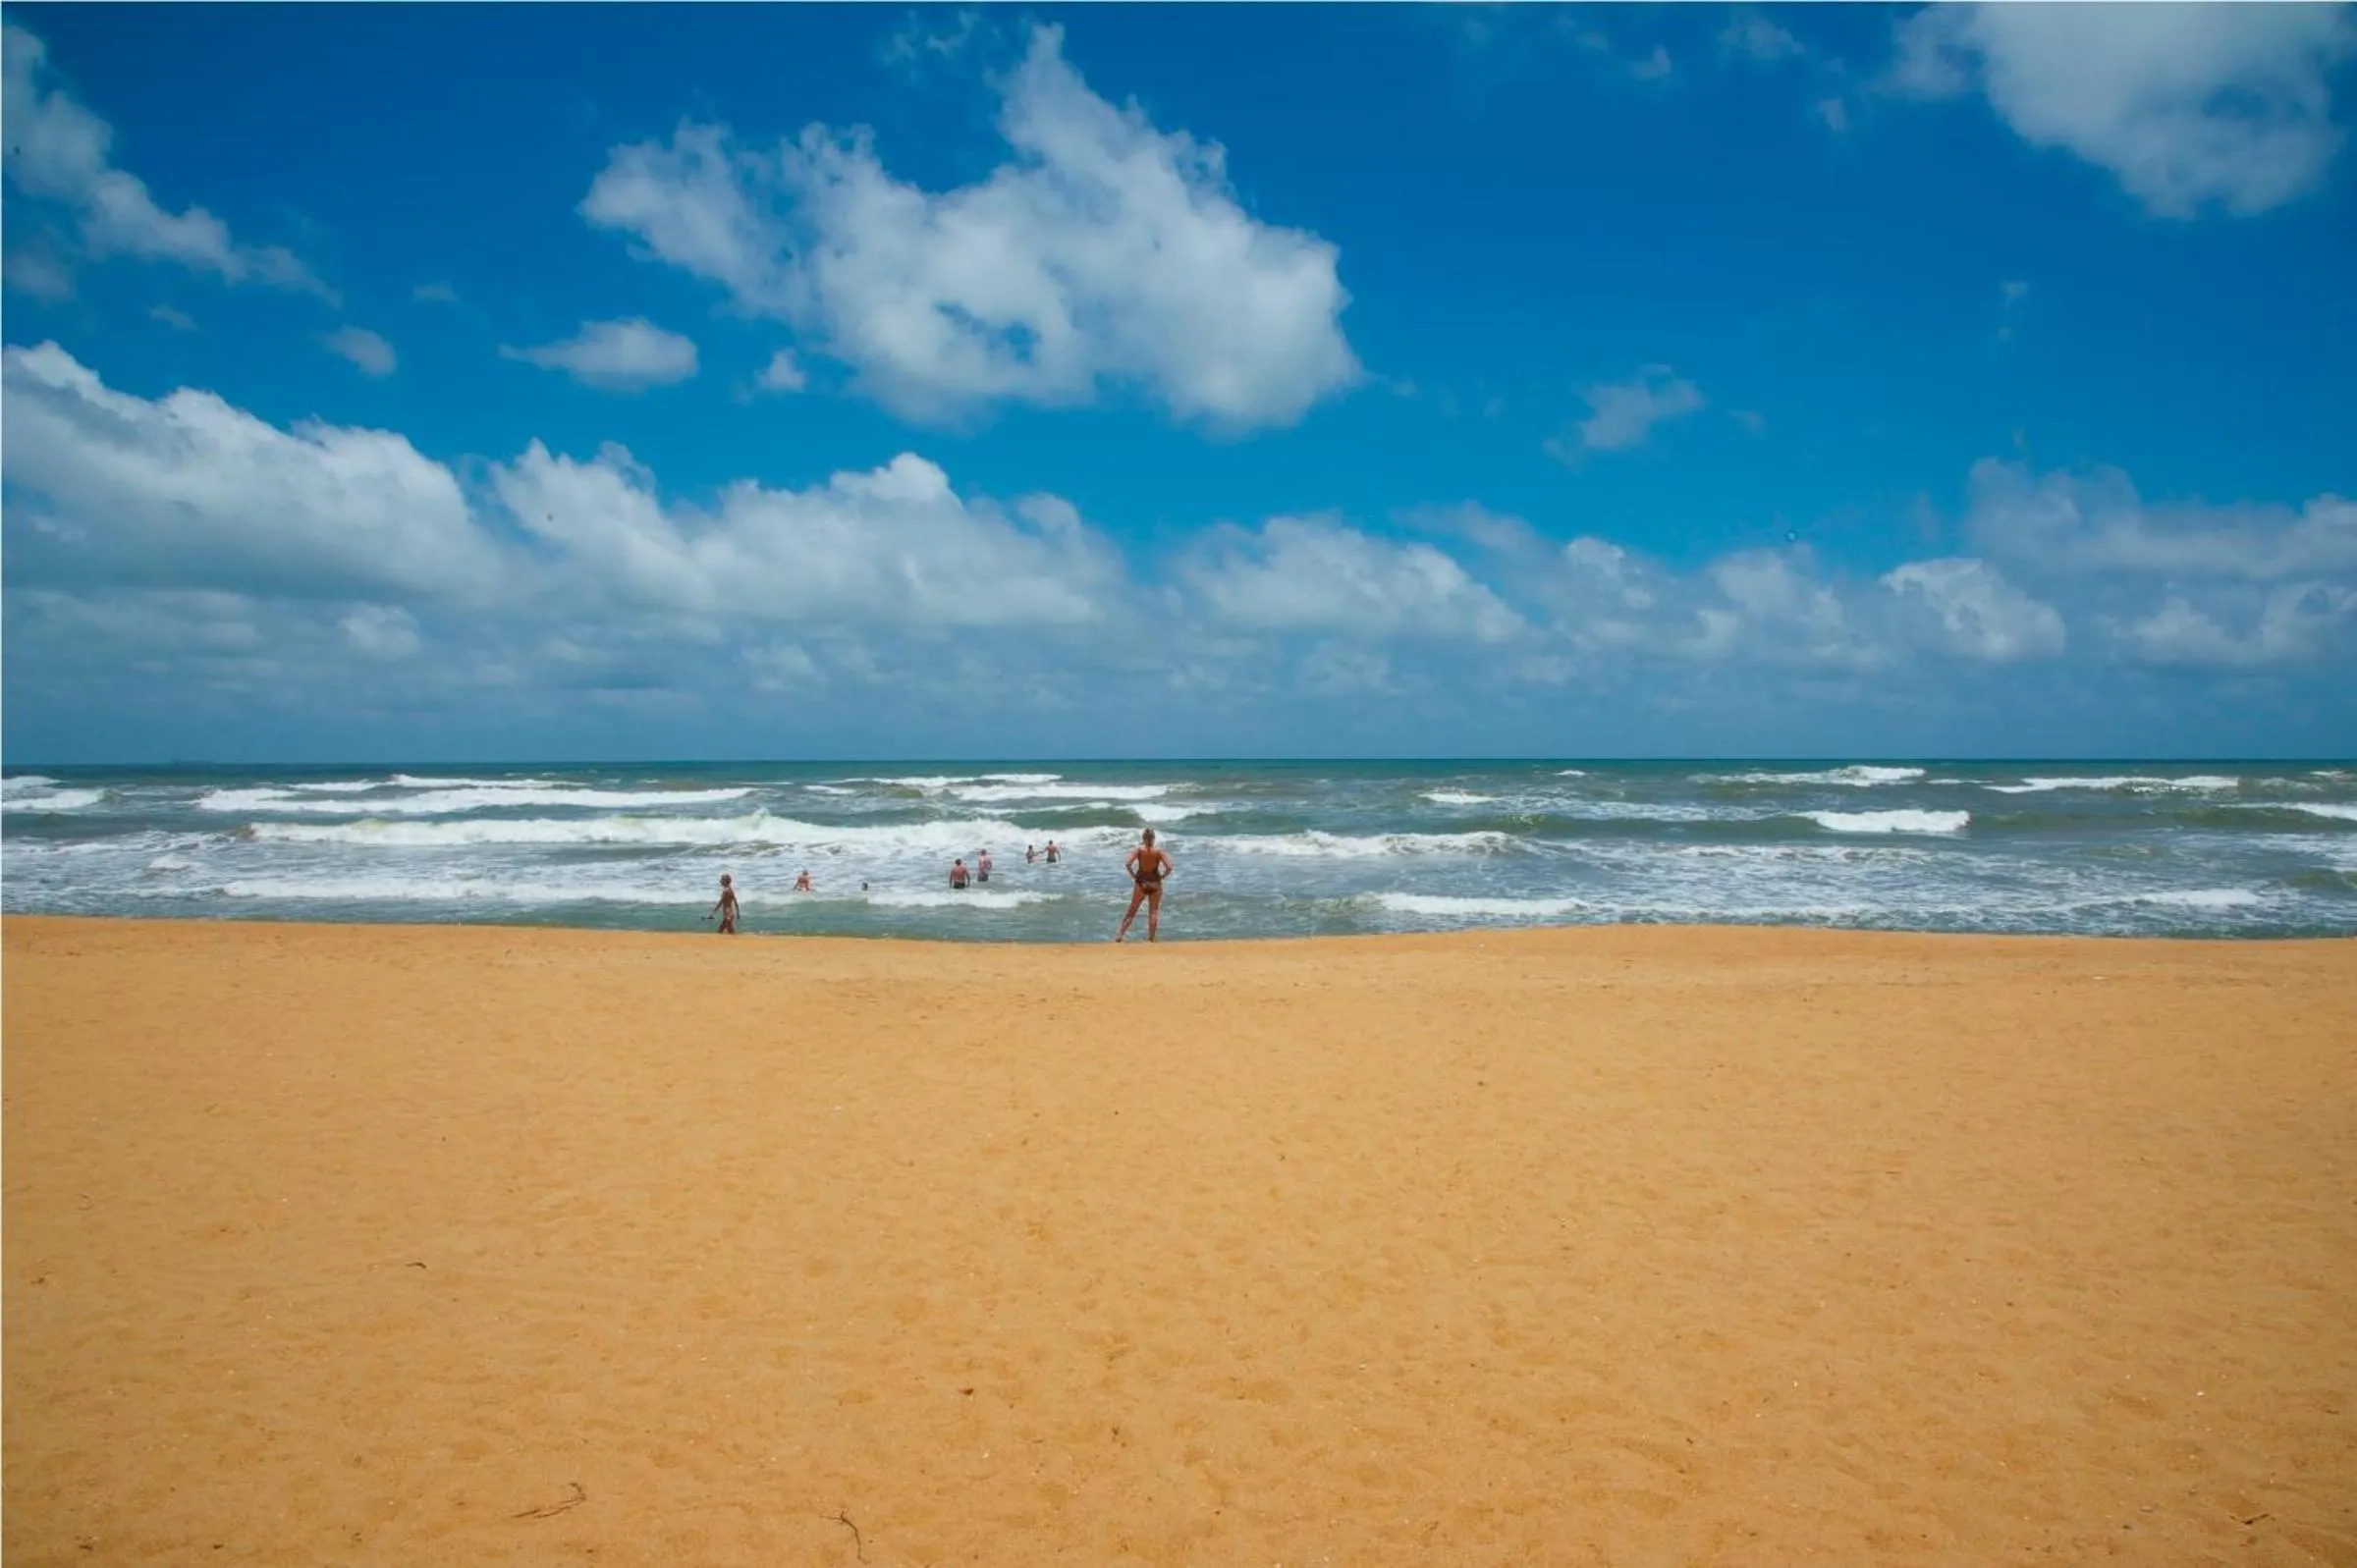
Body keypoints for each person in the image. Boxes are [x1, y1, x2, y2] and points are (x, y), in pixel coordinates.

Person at [1115, 829, 1173, 944]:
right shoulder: (1158, 852)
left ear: (1143, 838)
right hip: (1155, 884)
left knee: (1132, 911)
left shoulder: (1139, 850)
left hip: (1141, 883)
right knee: (1153, 912)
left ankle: (1119, 935)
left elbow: (1128, 864)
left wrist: (1133, 876)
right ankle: (1152, 938)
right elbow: (1169, 867)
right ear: (1154, 838)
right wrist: (1162, 877)